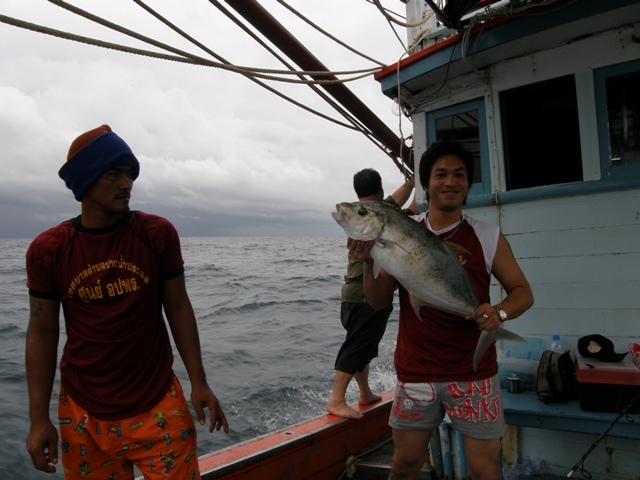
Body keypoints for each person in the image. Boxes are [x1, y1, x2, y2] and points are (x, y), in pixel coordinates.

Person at [25, 125, 229, 479]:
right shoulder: (49, 250)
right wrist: (38, 419)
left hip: (158, 404)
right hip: (82, 413)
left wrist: (199, 381)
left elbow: (178, 307)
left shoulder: (155, 234)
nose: (127, 184)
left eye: (130, 174)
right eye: (114, 173)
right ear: (85, 180)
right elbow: (42, 333)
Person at [350, 140, 534, 480]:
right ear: (426, 183)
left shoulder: (487, 235)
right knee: (404, 466)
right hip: (417, 371)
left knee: (485, 472)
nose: (450, 181)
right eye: (441, 174)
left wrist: (499, 315)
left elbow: (522, 293)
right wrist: (366, 262)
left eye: (459, 174)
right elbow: (378, 301)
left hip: (474, 374)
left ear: (468, 183)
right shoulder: (404, 230)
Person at [326, 169, 415, 419]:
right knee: (357, 345)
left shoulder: (358, 216)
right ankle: (336, 400)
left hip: (350, 294)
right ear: (381, 189)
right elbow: (405, 201)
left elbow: (401, 198)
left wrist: (410, 184)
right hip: (366, 292)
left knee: (365, 345)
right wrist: (414, 182)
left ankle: (365, 393)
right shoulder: (375, 215)